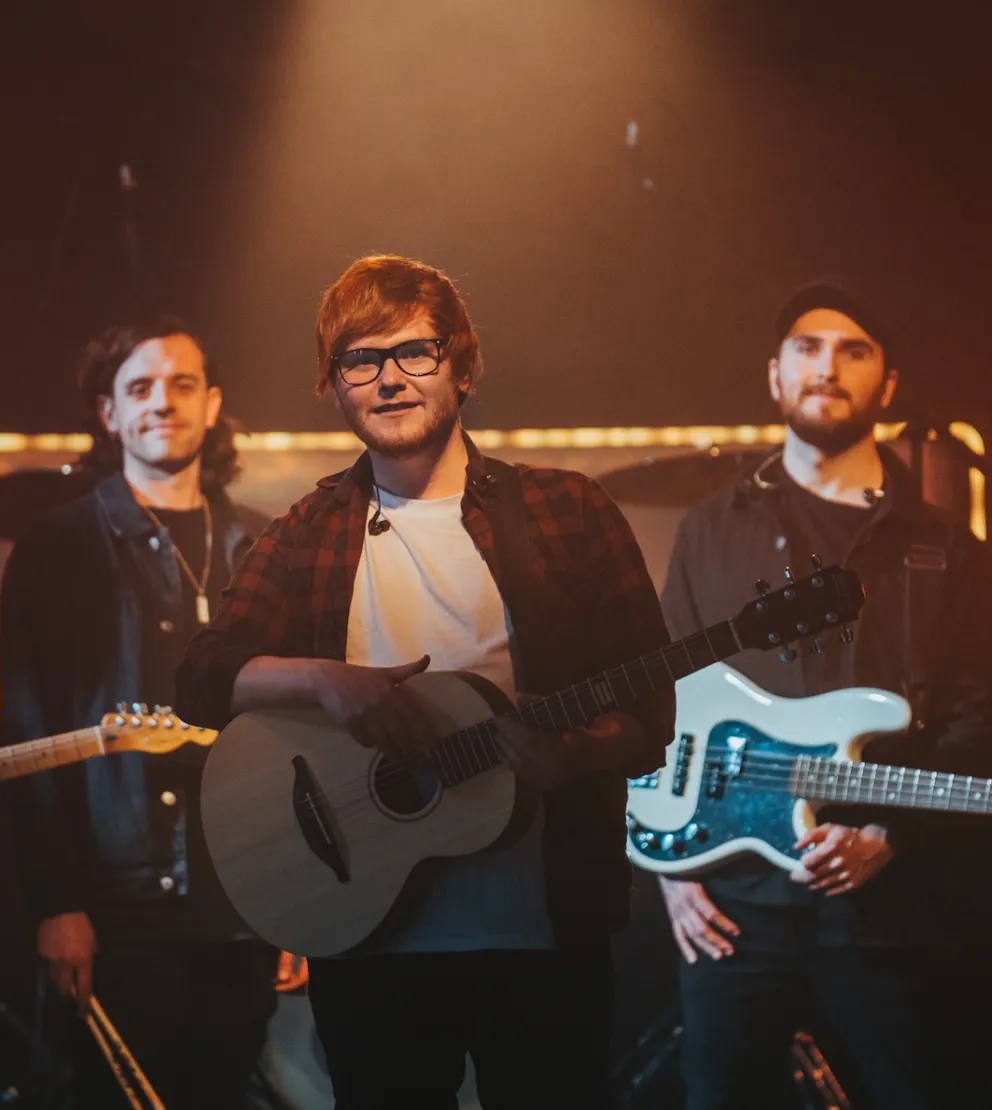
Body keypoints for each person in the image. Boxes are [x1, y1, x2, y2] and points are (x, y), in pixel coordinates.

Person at [174, 255, 676, 1110]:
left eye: (416, 353)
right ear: (334, 387)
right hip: (365, 930)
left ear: (464, 366)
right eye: (360, 361)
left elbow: (646, 711)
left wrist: (573, 757)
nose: (390, 379)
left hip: (545, 928)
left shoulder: (568, 510)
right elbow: (200, 678)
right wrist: (325, 682)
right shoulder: (310, 528)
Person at [656, 284, 992, 1110]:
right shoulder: (710, 528)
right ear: (774, 377)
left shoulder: (940, 543)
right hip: (730, 895)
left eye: (855, 351)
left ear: (887, 386)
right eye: (808, 348)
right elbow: (661, 704)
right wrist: (670, 867)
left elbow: (981, 715)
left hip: (886, 905)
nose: (828, 367)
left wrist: (890, 832)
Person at [0, 318, 276, 1110]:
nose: (164, 403)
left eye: (183, 385)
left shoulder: (261, 544)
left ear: (213, 404)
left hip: (244, 902)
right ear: (108, 413)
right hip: (116, 906)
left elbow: (296, 735)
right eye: (141, 387)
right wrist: (57, 902)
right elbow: (28, 735)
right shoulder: (55, 548)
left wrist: (297, 896)